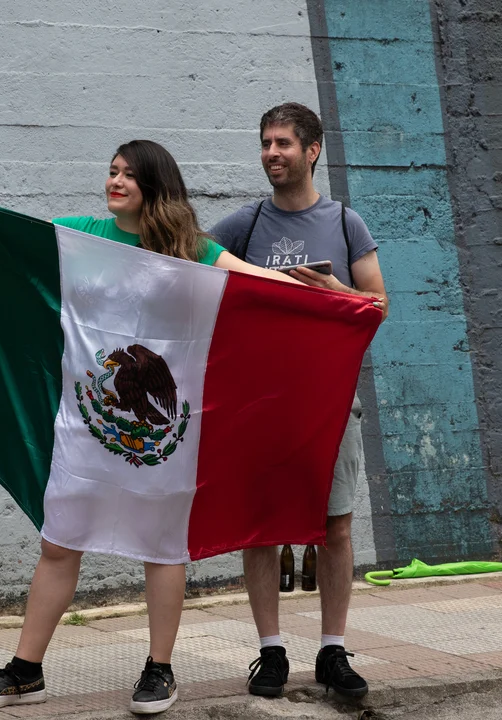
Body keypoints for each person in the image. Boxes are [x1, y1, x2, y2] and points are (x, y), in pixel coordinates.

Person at [0, 139, 323, 714]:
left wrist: (342, 301)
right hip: (86, 422)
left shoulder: (191, 249)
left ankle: (160, 671)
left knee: (162, 546)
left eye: (128, 175)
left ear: (155, 185)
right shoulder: (81, 235)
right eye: (112, 171)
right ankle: (25, 671)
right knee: (59, 542)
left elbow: (259, 285)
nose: (114, 181)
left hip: (166, 436)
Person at [209, 103, 389, 700]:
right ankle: (271, 652)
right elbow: (193, 269)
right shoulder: (243, 225)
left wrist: (336, 290)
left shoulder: (345, 223)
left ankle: (333, 651)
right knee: (260, 527)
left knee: (335, 525)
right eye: (265, 143)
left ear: (312, 150)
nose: (271, 153)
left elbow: (378, 307)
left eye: (283, 143)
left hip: (331, 403)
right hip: (260, 405)